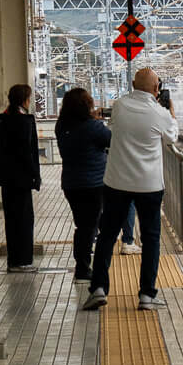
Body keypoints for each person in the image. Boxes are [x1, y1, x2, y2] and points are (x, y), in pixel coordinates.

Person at [83, 67, 177, 312]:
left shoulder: (120, 106)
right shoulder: (160, 113)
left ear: (133, 84)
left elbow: (114, 128)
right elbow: (172, 138)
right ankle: (147, 295)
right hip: (149, 185)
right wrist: (170, 111)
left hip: (117, 182)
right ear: (157, 89)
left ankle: (99, 288)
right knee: (151, 238)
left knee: (107, 235)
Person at [55, 87, 111, 283]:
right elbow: (111, 139)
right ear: (86, 106)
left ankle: (83, 263)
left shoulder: (61, 126)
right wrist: (97, 121)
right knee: (89, 227)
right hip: (93, 184)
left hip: (71, 183)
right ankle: (83, 268)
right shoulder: (93, 127)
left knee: (83, 226)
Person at [0, 83, 40, 272]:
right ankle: (23, 261)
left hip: (6, 177)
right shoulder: (24, 120)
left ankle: (14, 260)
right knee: (24, 219)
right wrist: (35, 176)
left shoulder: (4, 119)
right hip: (21, 179)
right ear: (25, 100)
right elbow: (27, 152)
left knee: (12, 219)